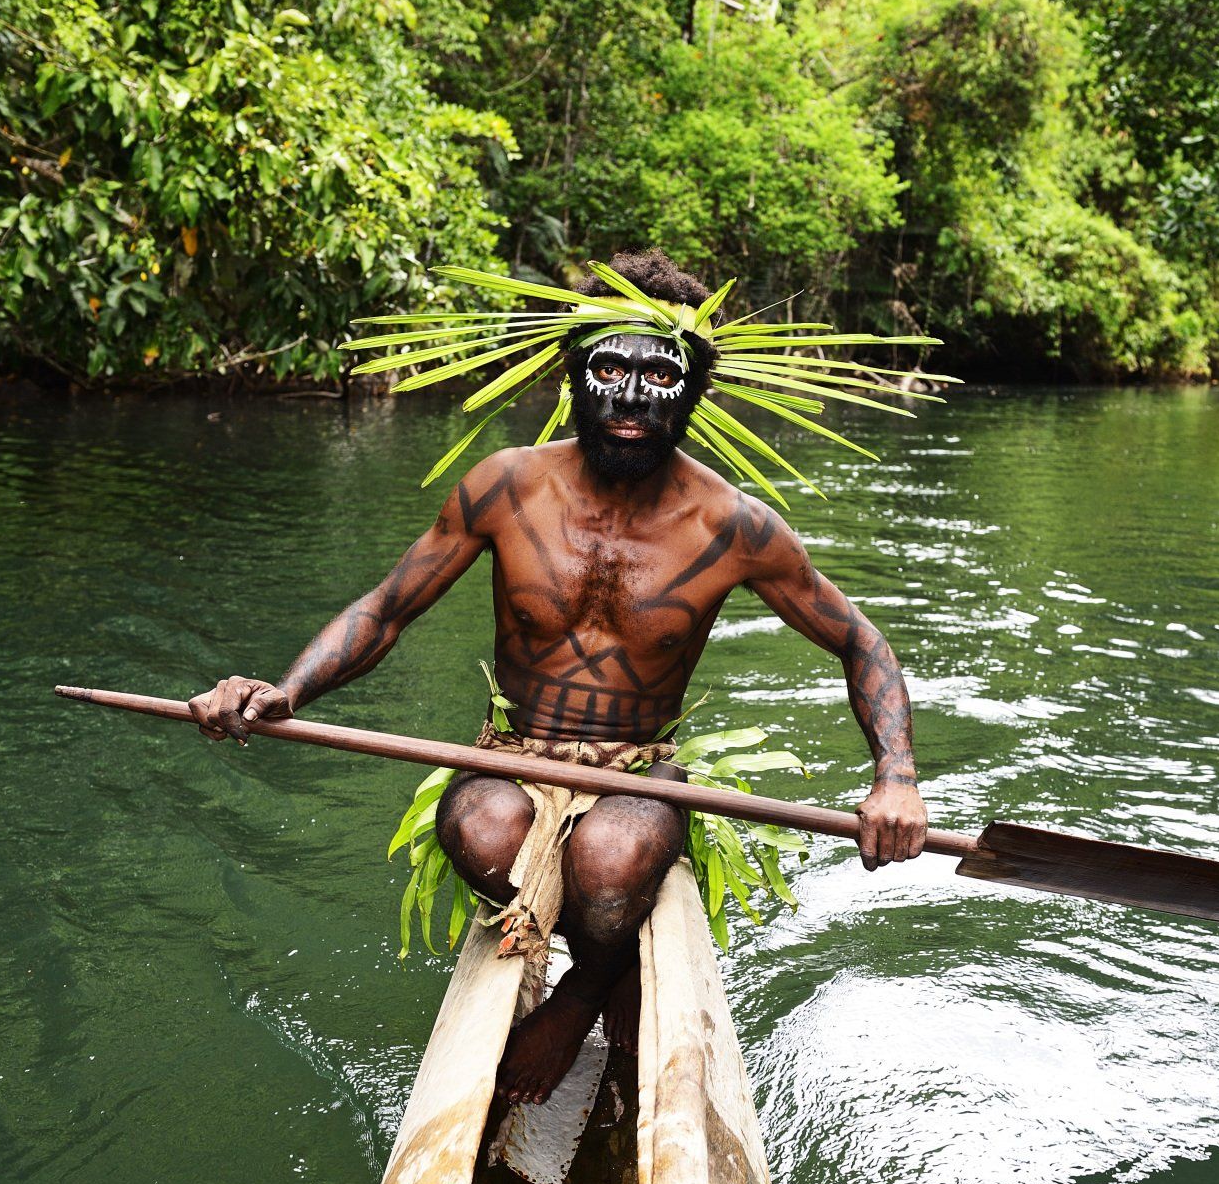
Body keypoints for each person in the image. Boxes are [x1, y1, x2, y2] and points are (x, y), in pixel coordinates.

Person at [188, 249, 928, 1106]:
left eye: (661, 375)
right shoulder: (505, 486)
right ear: (574, 373)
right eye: (610, 367)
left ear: (692, 392)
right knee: (483, 833)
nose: (633, 397)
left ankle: (580, 992)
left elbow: (860, 641)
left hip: (636, 768)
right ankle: (605, 955)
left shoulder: (734, 525)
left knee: (610, 861)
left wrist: (896, 777)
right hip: (517, 749)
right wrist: (285, 692)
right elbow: (386, 610)